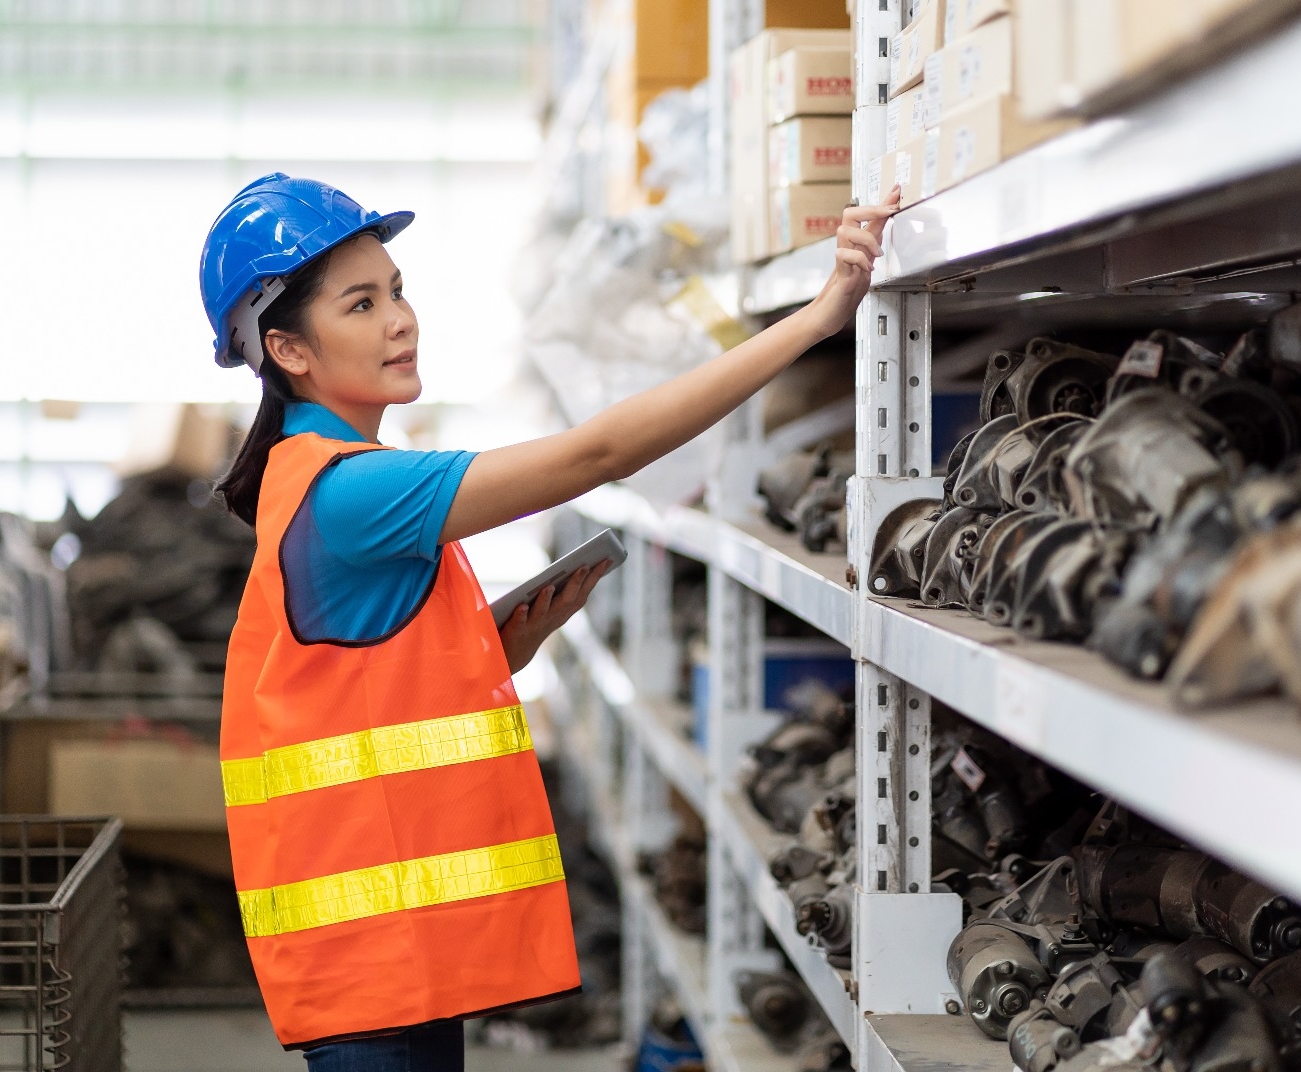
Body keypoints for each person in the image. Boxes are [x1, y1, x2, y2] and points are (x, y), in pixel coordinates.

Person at [198, 173, 898, 1072]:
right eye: (361, 303)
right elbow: (596, 453)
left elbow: (361, 687)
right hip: (372, 966)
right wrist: (812, 321)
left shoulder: (327, 476)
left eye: (399, 291)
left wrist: (497, 648)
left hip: (385, 954)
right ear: (289, 348)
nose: (401, 320)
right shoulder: (351, 490)